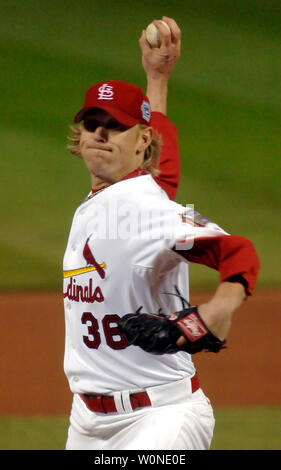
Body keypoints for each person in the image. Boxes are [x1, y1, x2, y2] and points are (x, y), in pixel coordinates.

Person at [62, 17, 260, 450]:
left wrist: (204, 319)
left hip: (159, 419)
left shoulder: (144, 209)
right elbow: (162, 163)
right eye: (93, 122)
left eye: (114, 125)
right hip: (88, 424)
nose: (100, 132)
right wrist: (157, 77)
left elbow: (239, 254)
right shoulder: (119, 195)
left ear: (140, 142)